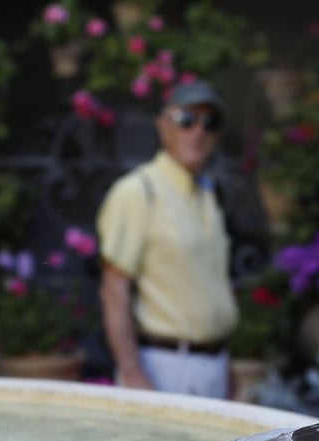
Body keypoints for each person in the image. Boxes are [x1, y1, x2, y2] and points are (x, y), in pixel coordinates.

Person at [96, 80, 238, 398]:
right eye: (187, 119)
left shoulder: (207, 195)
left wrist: (225, 366)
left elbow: (210, 286)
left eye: (210, 123)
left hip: (213, 364)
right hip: (164, 365)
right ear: (163, 126)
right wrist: (131, 372)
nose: (198, 131)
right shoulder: (138, 191)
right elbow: (114, 290)